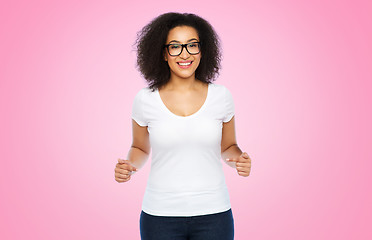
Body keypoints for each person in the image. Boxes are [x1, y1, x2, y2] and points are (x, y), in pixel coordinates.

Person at [114, 12, 252, 240]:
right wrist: (130, 165)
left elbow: (228, 146)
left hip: (214, 213)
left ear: (202, 50)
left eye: (192, 45)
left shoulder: (222, 96)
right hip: (159, 215)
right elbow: (139, 148)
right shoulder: (145, 99)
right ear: (163, 54)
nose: (185, 54)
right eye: (175, 47)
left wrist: (238, 160)